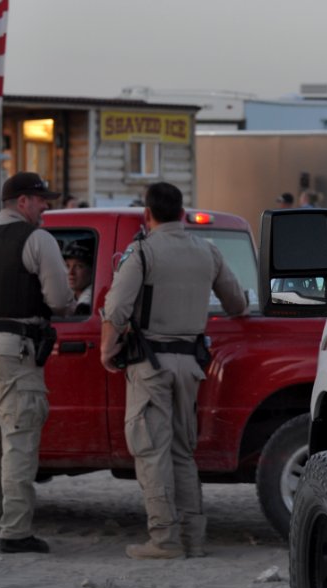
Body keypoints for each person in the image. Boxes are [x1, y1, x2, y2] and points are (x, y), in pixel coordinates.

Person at [100, 182, 247, 560]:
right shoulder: (207, 252)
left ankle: (163, 539)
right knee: (183, 451)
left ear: (147, 214)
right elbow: (237, 303)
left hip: (150, 365)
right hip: (190, 365)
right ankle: (192, 538)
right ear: (182, 213)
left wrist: (107, 351)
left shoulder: (143, 254)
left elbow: (115, 310)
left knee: (151, 451)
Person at [0, 171, 74, 554]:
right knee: (19, 438)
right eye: (41, 200)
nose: (45, 206)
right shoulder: (37, 239)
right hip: (14, 346)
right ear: (23, 202)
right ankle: (15, 531)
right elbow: (58, 300)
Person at [62, 242, 93, 314]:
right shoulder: (70, 295)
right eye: (67, 266)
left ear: (92, 270)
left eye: (79, 266)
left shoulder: (87, 304)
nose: (71, 272)